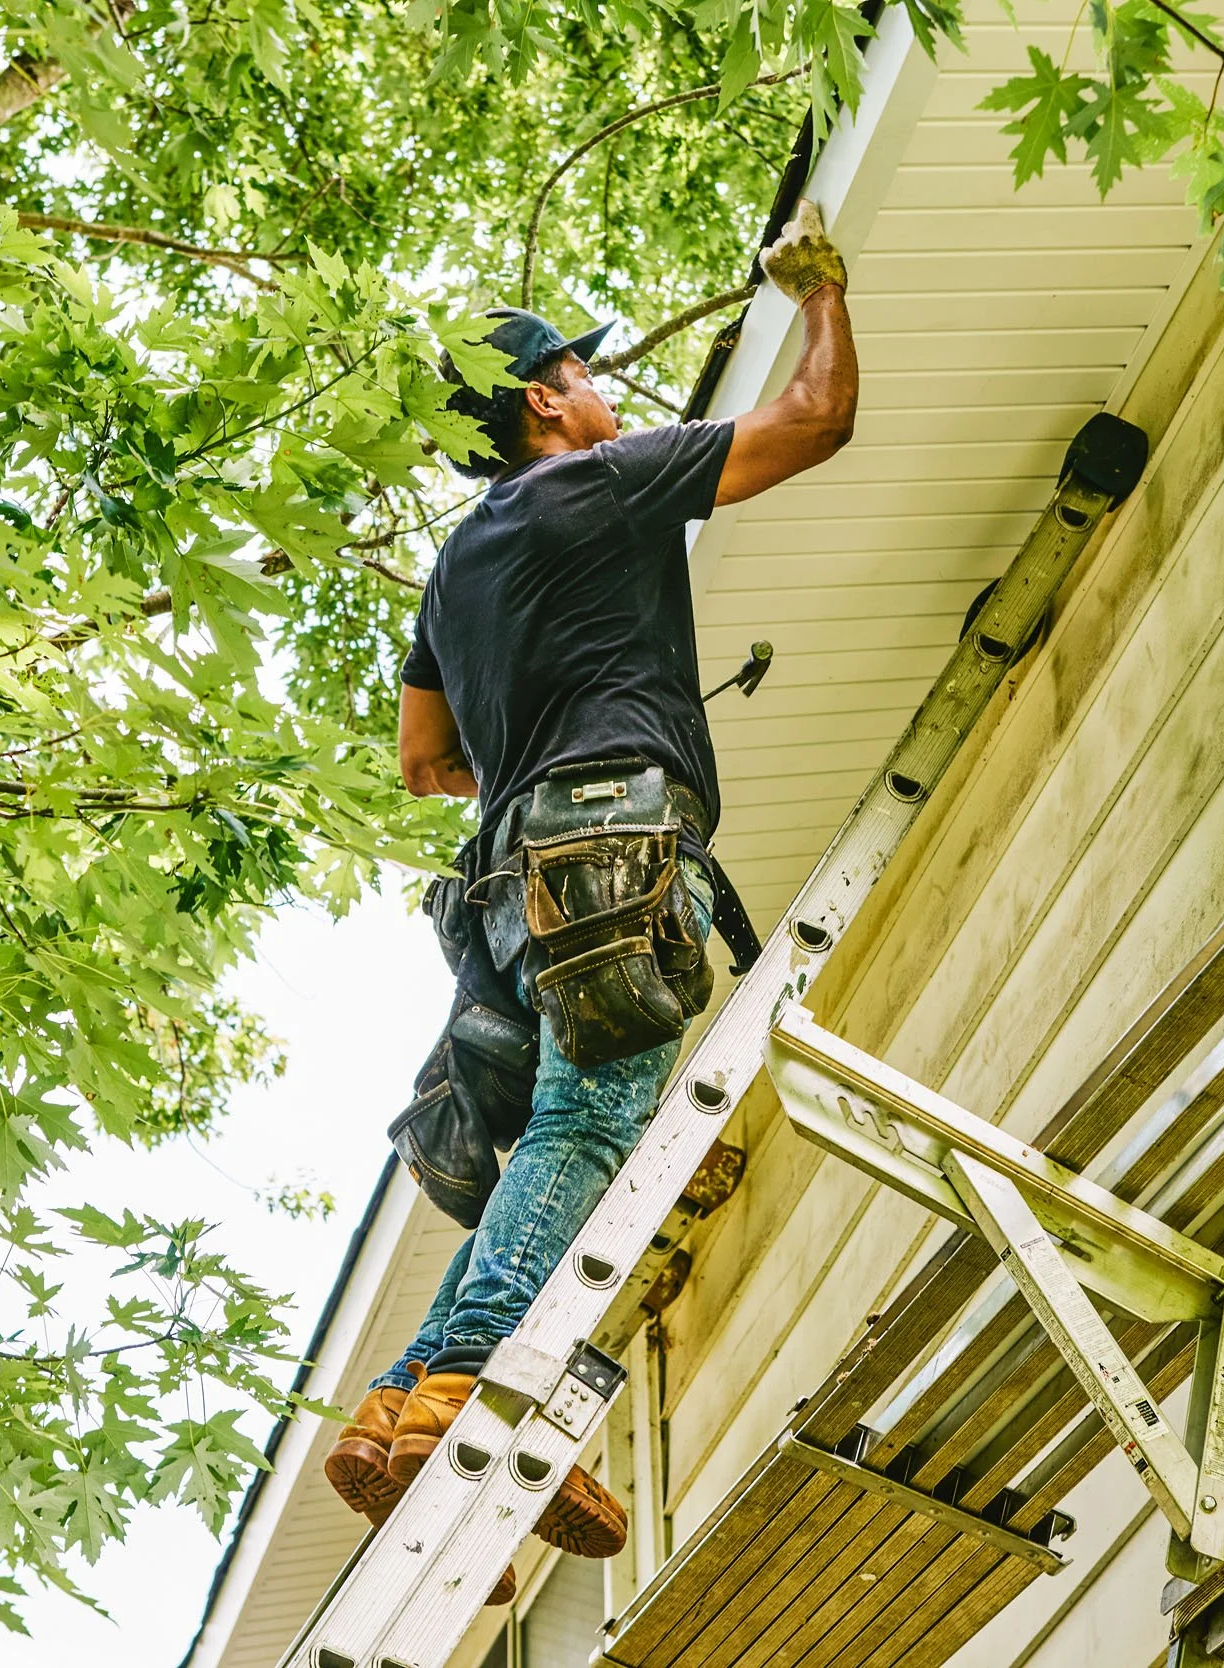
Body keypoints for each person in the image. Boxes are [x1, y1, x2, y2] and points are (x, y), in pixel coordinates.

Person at [321, 202, 857, 1587]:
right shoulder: (597, 482)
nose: (602, 389)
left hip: (502, 888)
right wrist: (822, 293)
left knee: (565, 1125)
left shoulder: (454, 567)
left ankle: (404, 1405)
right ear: (546, 400)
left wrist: (525, 735)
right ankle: (469, 1383)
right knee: (588, 1124)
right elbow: (814, 422)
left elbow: (422, 762)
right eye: (581, 370)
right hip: (611, 850)